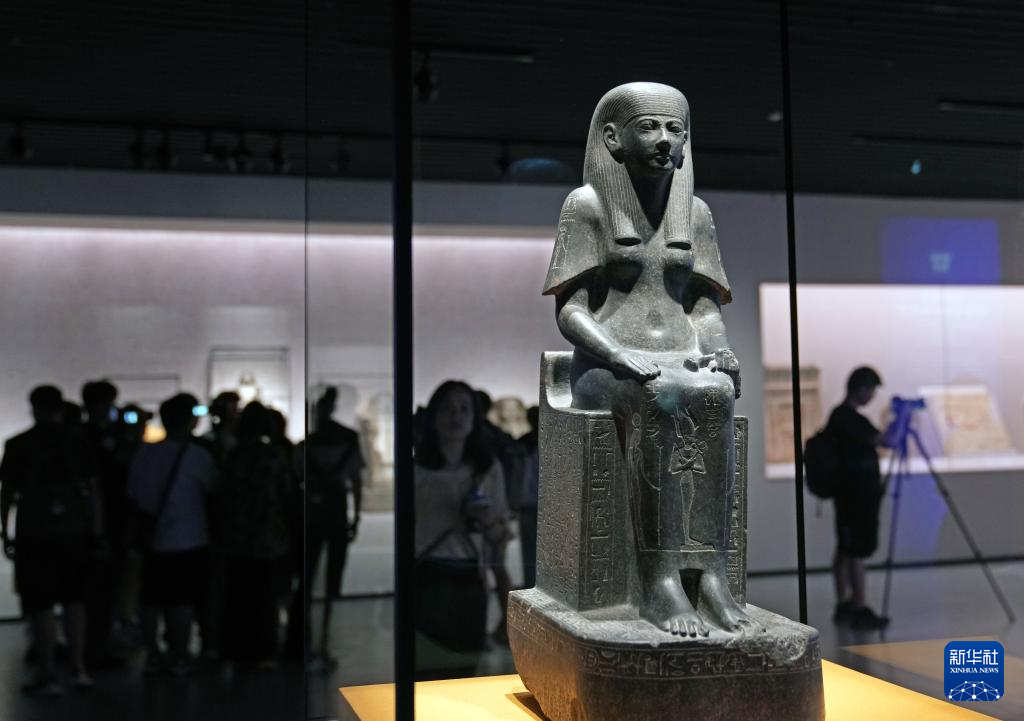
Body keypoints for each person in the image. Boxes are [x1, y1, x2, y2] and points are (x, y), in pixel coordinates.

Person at [543, 82, 747, 637]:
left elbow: (702, 308)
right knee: (664, 394)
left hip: (679, 356)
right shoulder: (586, 207)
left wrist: (720, 350)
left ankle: (710, 575)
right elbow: (571, 311)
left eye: (675, 129)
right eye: (649, 127)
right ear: (613, 139)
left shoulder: (695, 214)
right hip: (603, 366)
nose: (664, 140)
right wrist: (619, 353)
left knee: (716, 392)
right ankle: (660, 581)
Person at [1, 385, 99, 694]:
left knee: (40, 603)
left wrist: (5, 531)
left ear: (34, 407)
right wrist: (96, 531)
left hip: (34, 531)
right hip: (73, 530)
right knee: (74, 600)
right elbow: (92, 491)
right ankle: (78, 667)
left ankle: (48, 673)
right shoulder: (78, 442)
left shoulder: (19, 445)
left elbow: (8, 494)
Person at [414, 381, 509, 679]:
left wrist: (487, 519)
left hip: (469, 576)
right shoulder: (418, 470)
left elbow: (499, 535)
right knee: (426, 670)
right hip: (427, 574)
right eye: (448, 408)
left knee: (464, 670)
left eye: (464, 409)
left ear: (474, 418)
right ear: (434, 415)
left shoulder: (486, 469)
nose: (456, 416)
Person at [127, 393, 218, 675]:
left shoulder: (144, 453)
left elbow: (134, 493)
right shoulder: (198, 455)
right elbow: (212, 489)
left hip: (151, 537)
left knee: (151, 599)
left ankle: (153, 653)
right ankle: (180, 653)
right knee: (182, 599)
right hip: (189, 536)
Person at [287, 387, 363, 668]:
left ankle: (307, 641)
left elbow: (297, 479)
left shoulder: (307, 446)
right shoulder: (347, 441)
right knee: (329, 582)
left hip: (314, 515)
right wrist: (355, 518)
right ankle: (320, 642)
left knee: (309, 580)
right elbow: (356, 482)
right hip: (334, 514)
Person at [220, 402, 292, 669]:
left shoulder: (234, 456)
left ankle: (237, 650)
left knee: (238, 595)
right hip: (268, 535)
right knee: (265, 597)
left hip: (237, 535)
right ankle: (264, 650)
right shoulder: (273, 455)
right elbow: (285, 493)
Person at [827, 366, 894, 630]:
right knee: (856, 551)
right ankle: (859, 607)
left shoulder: (838, 416)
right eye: (872, 390)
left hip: (847, 496)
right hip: (857, 498)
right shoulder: (851, 419)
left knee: (845, 549)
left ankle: (844, 602)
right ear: (862, 389)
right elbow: (885, 441)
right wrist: (897, 419)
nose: (873, 396)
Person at [518, 406, 540, 589]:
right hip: (530, 504)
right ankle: (532, 584)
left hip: (532, 504)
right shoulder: (524, 444)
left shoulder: (523, 443)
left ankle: (532, 583)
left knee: (531, 549)